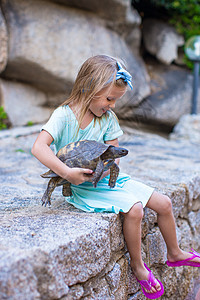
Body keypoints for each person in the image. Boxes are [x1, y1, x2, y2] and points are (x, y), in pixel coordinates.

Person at [32, 55, 200, 299]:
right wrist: (67, 172)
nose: (112, 105)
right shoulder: (64, 116)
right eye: (110, 99)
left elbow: (114, 153)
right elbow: (39, 147)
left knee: (164, 203)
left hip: (107, 179)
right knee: (135, 209)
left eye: (115, 101)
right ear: (89, 88)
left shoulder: (108, 118)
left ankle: (174, 253)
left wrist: (110, 165)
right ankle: (138, 267)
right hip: (84, 185)